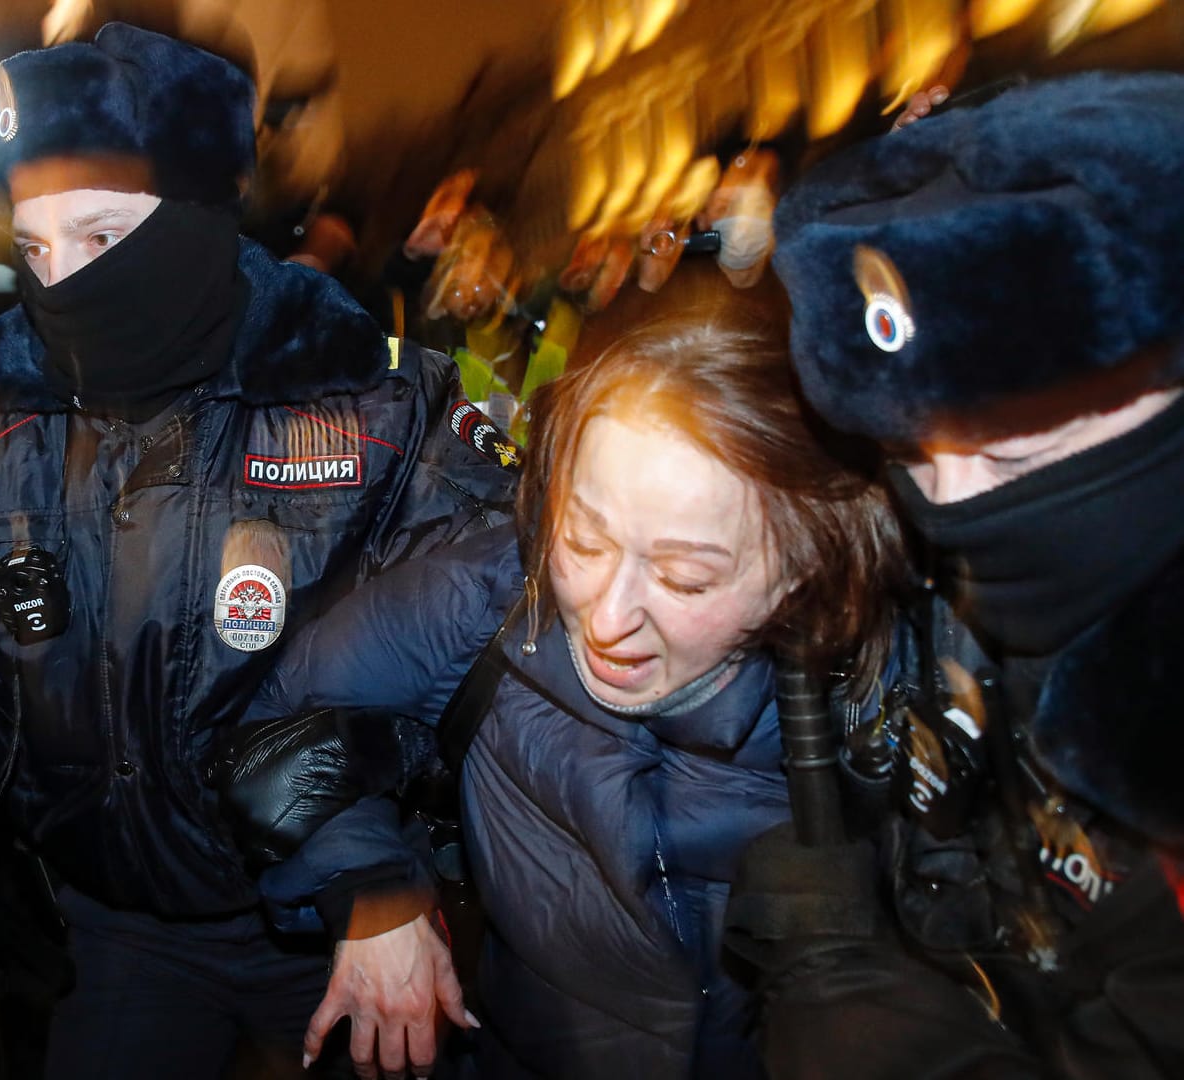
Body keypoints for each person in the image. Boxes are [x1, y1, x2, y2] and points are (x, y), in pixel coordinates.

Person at [0, 23, 517, 1079]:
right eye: (39, 251)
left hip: (336, 919)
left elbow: (481, 674)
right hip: (116, 930)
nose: (65, 289)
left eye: (100, 239)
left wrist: (372, 877)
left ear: (195, 215)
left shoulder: (375, 402)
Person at [219, 293, 907, 1077]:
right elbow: (282, 720)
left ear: (808, 567)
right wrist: (373, 893)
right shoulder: (488, 598)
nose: (606, 616)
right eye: (583, 539)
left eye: (684, 580)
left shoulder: (890, 688)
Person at [725, 70, 1184, 1078]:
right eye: (909, 456)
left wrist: (853, 1011)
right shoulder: (918, 565)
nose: (959, 498)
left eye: (1015, 458)